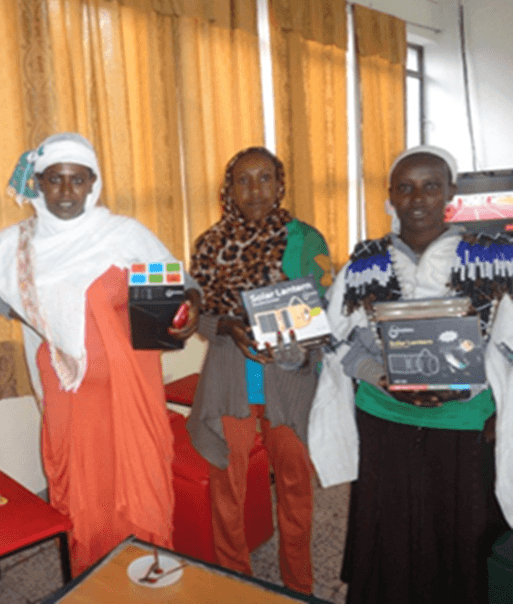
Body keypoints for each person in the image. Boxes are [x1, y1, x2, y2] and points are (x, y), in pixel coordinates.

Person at [0, 132, 201, 575]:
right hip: (67, 391)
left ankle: (150, 572)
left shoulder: (122, 233)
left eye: (78, 180)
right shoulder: (17, 243)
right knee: (84, 487)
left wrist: (191, 309)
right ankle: (95, 577)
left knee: (142, 479)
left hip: (133, 388)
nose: (66, 192)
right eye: (55, 179)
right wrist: (33, 316)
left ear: (93, 184)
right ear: (38, 183)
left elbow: (183, 285)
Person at [309, 145, 512, 603]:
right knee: (389, 526)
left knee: (457, 531)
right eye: (405, 188)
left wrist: (499, 411)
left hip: (462, 421)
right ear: (391, 198)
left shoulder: (496, 258)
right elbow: (337, 340)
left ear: (451, 193)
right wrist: (382, 378)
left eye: (430, 186)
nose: (417, 199)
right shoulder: (366, 262)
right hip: (384, 416)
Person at [186, 146, 332, 595]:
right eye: (243, 180)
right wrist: (226, 324)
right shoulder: (210, 244)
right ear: (228, 189)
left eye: (265, 178)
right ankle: (237, 583)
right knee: (227, 485)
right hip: (232, 376)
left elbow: (324, 311)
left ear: (280, 184)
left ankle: (298, 585)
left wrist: (296, 337)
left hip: (287, 379)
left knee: (294, 485)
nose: (255, 190)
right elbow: (198, 317)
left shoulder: (307, 239)